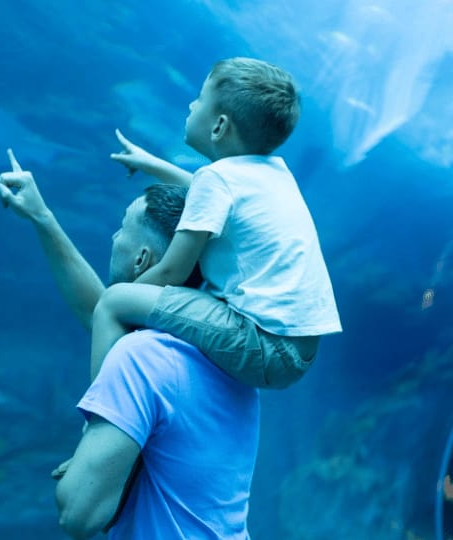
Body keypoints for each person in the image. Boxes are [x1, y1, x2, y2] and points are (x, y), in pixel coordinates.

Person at [0, 149, 259, 539]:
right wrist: (42, 218)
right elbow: (98, 310)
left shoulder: (140, 358)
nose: (114, 237)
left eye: (121, 228)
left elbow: (79, 514)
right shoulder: (224, 354)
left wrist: (88, 449)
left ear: (142, 259)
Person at [91, 57, 341, 389]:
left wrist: (128, 297)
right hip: (299, 352)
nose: (191, 105)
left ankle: (103, 404)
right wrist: (152, 164)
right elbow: (203, 195)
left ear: (219, 126)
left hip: (262, 345)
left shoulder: (218, 179)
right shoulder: (272, 175)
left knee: (114, 302)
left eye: (200, 99)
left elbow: (171, 272)